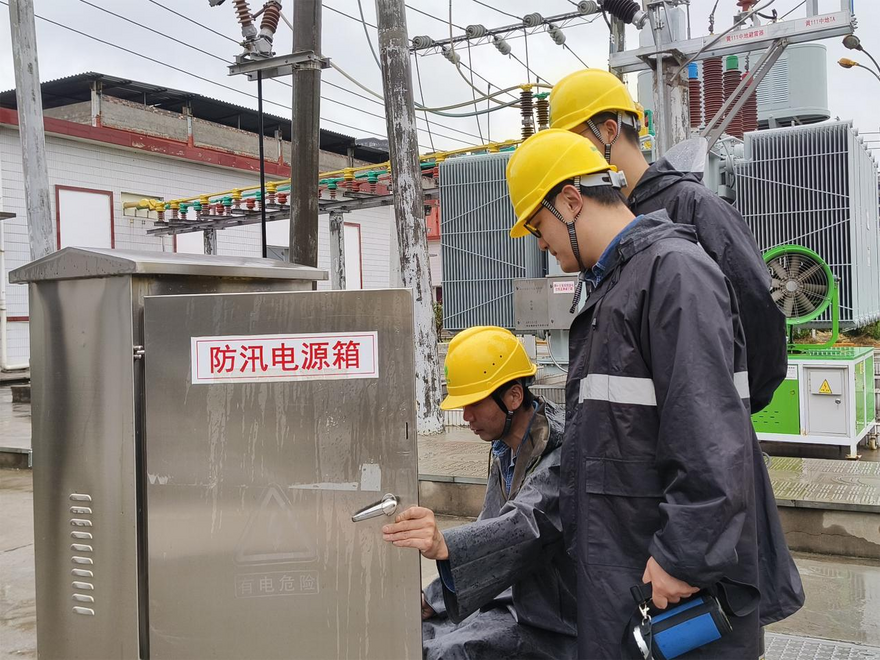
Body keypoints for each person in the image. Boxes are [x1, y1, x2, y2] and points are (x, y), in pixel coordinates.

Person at [505, 128, 803, 659]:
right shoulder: (619, 285)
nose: (540, 242)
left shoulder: (674, 273)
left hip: (673, 583)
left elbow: (711, 436)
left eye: (536, 224)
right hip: (630, 563)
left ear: (571, 200)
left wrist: (682, 558)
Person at [549, 68, 787, 414]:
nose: (566, 161)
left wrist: (727, 408)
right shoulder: (605, 225)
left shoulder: (693, 205)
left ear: (610, 131)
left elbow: (756, 308)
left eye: (574, 143)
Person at [381, 326, 577, 660]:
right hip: (516, 600)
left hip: (553, 618)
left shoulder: (560, 454)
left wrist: (444, 544)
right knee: (414, 635)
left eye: (474, 403)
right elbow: (489, 526)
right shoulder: (507, 449)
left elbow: (525, 526)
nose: (466, 416)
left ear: (514, 397)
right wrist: (432, 598)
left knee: (447, 652)